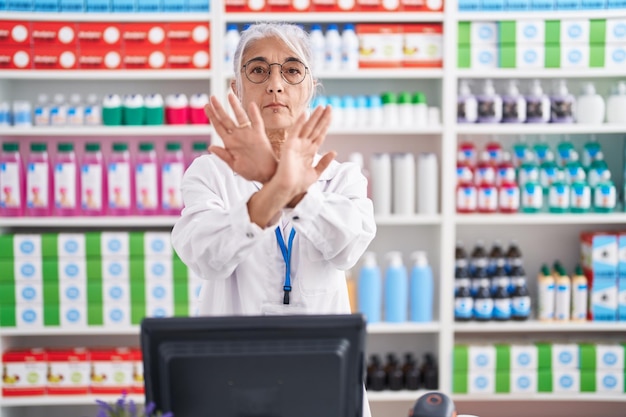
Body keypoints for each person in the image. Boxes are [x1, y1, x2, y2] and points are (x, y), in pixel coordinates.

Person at [170, 22, 376, 416]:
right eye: (259, 69)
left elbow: (347, 247)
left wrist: (277, 182)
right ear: (236, 88)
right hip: (230, 377)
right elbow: (204, 256)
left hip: (325, 381)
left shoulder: (342, 177)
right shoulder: (209, 173)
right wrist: (277, 183)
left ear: (310, 86)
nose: (276, 84)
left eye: (292, 70)